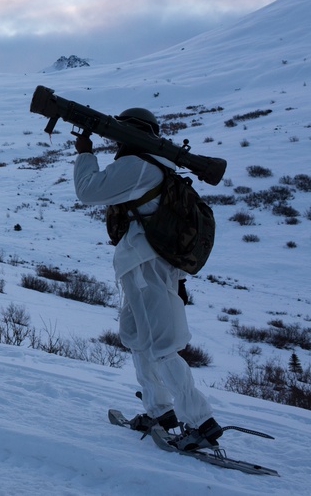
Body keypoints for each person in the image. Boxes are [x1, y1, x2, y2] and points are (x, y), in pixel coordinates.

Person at [72, 107, 222, 451]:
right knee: (137, 337)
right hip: (147, 264)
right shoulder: (159, 166)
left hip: (144, 265)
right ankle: (160, 410)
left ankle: (201, 422)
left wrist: (84, 155)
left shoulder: (139, 166)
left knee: (162, 345)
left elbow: (88, 191)